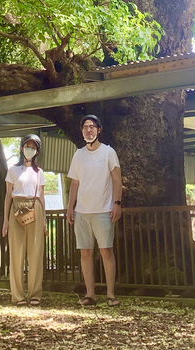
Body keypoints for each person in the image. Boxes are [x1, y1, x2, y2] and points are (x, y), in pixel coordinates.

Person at [66, 114, 122, 307]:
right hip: (82, 212)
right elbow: (75, 183)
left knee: (106, 251)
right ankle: (90, 295)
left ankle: (111, 295)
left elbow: (117, 178)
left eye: (92, 126)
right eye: (85, 127)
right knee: (85, 253)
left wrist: (117, 203)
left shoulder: (108, 152)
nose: (88, 130)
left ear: (99, 130)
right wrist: (70, 207)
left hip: (103, 210)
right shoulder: (78, 155)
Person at [3, 134, 46, 306]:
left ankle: (35, 293)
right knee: (16, 252)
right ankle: (18, 295)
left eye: (33, 147)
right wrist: (5, 220)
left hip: (35, 207)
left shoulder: (39, 172)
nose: (30, 149)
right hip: (16, 207)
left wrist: (44, 221)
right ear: (21, 148)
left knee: (35, 252)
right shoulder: (13, 170)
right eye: (27, 146)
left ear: (37, 151)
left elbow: (42, 196)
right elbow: (8, 195)